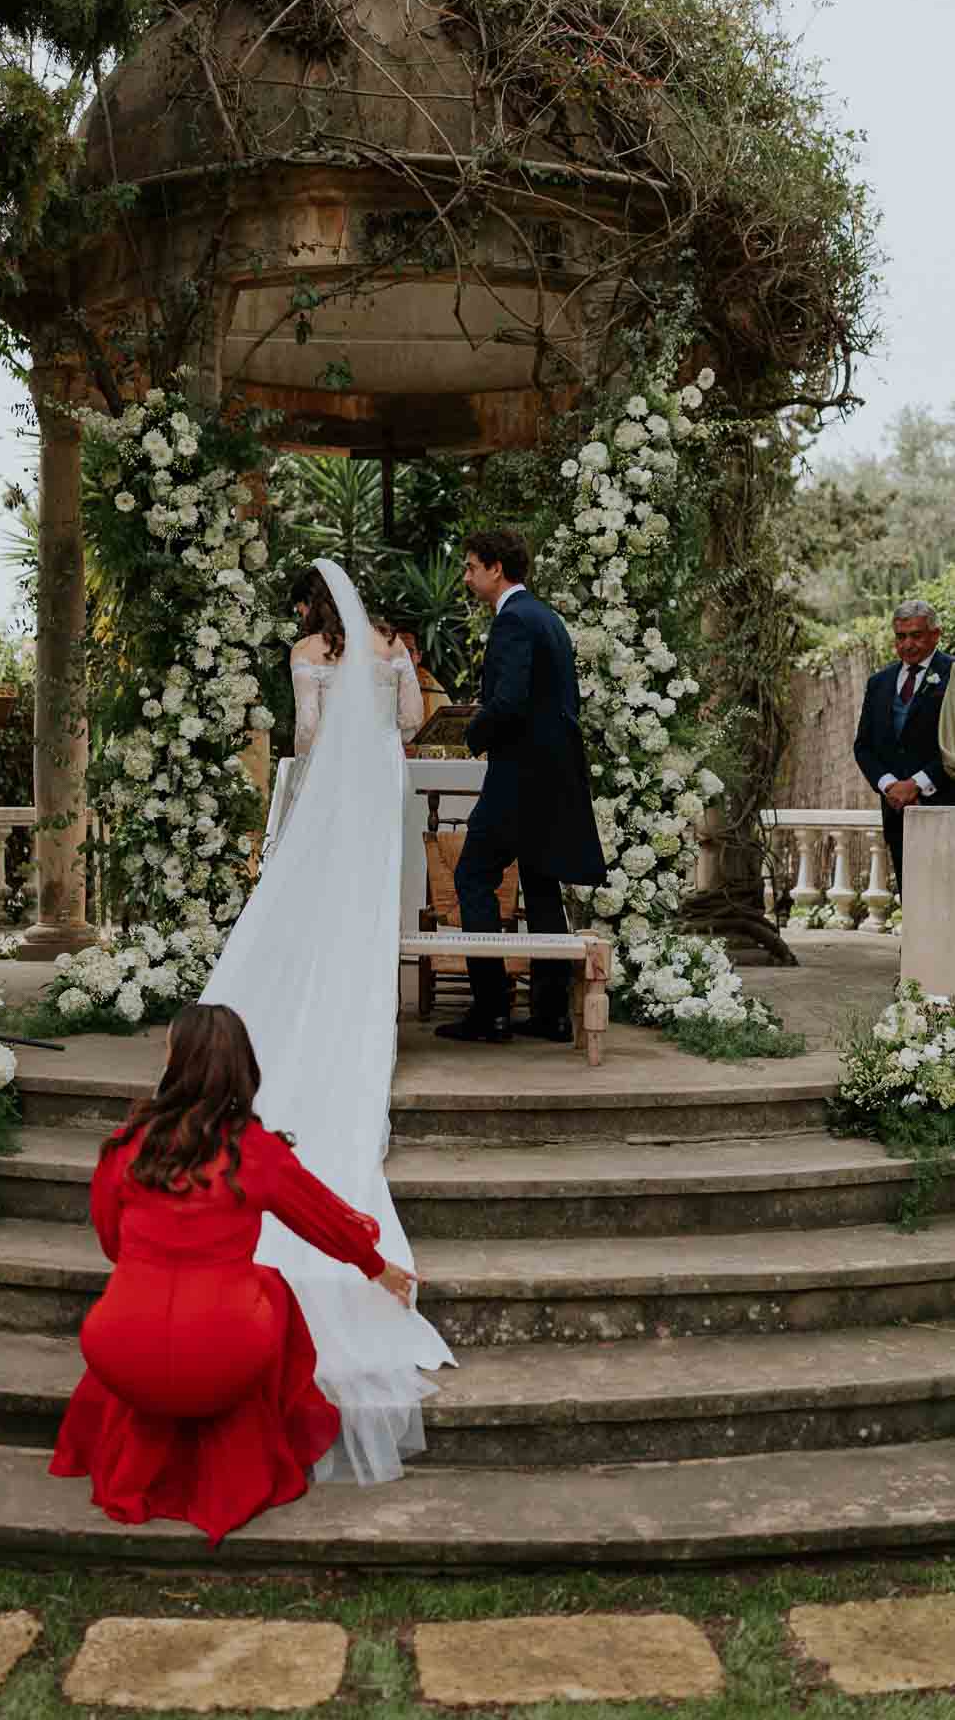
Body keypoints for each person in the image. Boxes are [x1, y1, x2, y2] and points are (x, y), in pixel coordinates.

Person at [201, 558, 454, 1486]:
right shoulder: (395, 646)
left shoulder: (306, 649)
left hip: (327, 789)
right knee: (368, 912)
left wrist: (307, 787)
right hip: (379, 785)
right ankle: (367, 1001)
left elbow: (307, 733)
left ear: (309, 604)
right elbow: (411, 725)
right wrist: (403, 674)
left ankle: (318, 1000)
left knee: (312, 914)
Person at [50, 1005, 417, 1544]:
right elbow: (324, 1221)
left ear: (176, 1063)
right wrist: (377, 1268)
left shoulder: (127, 1146)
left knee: (141, 1308)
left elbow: (112, 1246)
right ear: (241, 1068)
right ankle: (244, 1456)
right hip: (221, 1355)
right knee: (271, 1291)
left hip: (120, 1352)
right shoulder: (256, 1152)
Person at [437, 529, 606, 1045]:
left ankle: (491, 1010)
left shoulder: (512, 621)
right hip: (554, 778)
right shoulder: (548, 618)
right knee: (541, 883)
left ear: (495, 568)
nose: (466, 578)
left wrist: (471, 732)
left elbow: (507, 704)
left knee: (472, 876)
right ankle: (553, 1014)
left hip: (519, 778)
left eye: (470, 567)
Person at [854, 598, 955, 894]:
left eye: (916, 635)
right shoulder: (879, 682)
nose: (907, 644)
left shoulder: (952, 676)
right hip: (896, 810)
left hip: (945, 804)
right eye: (901, 636)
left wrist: (918, 783)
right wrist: (889, 786)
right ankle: (911, 943)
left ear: (935, 634)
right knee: (910, 895)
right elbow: (863, 746)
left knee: (946, 897)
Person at [396, 627, 451, 729]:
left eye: (409, 651)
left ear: (419, 656)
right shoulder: (381, 686)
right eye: (399, 651)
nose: (404, 657)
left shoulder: (434, 691)